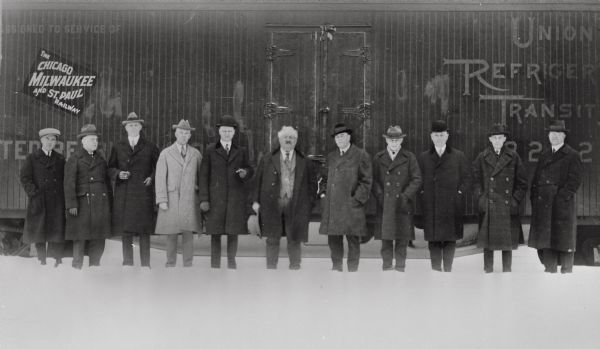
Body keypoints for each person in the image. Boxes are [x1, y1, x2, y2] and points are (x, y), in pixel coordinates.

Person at [251, 126, 317, 269]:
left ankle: (295, 267)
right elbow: (258, 181)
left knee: (294, 238)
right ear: (279, 139)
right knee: (272, 238)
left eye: (291, 138)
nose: (288, 140)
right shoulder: (267, 159)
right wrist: (256, 201)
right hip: (272, 204)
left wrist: (308, 204)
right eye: (285, 137)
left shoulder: (305, 161)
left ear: (296, 140)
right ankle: (271, 268)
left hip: (296, 205)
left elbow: (313, 185)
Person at [199, 115, 254, 269]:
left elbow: (250, 169)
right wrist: (204, 199)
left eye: (229, 131)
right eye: (224, 131)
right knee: (215, 234)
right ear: (219, 132)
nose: (227, 133)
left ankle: (231, 262)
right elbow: (203, 176)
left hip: (235, 200)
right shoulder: (210, 150)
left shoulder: (241, 151)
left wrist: (246, 173)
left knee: (233, 233)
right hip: (216, 200)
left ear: (234, 132)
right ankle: (215, 265)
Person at [472, 124, 528, 273]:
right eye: (494, 138)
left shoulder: (513, 156)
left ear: (504, 139)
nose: (497, 140)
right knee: (487, 244)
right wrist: (481, 198)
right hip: (489, 204)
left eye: (500, 138)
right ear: (490, 139)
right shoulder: (482, 157)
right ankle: (488, 271)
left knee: (506, 244)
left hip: (506, 205)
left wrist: (514, 200)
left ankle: (507, 272)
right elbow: (475, 180)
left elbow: (522, 183)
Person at [528, 120, 582, 273]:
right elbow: (537, 179)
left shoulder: (572, 155)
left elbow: (575, 181)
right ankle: (549, 271)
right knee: (547, 241)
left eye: (558, 134)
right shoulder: (544, 155)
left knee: (565, 242)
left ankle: (566, 273)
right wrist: (535, 199)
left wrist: (561, 197)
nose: (554, 136)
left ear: (564, 136)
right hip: (544, 205)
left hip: (562, 206)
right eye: (552, 133)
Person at [108, 112, 160, 267]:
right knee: (126, 232)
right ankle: (127, 263)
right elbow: (110, 168)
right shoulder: (118, 146)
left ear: (141, 127)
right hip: (125, 194)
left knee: (144, 232)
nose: (133, 127)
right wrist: (118, 174)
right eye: (130, 125)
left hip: (143, 194)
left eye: (136, 125)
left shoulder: (150, 146)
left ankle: (145, 264)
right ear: (125, 128)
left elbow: (159, 168)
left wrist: (152, 177)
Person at [319, 122, 372, 272]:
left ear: (349, 137)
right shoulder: (332, 156)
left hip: (351, 206)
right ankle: (336, 267)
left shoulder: (361, 155)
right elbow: (323, 178)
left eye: (342, 136)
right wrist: (323, 194)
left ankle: (353, 270)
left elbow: (366, 181)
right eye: (337, 137)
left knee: (353, 240)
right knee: (334, 240)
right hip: (333, 206)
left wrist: (356, 200)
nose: (339, 139)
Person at [417, 120, 469, 272]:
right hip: (431, 205)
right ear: (431, 137)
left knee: (449, 239)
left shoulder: (458, 156)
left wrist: (459, 193)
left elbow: (467, 178)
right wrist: (422, 193)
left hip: (451, 205)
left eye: (442, 135)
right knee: (433, 240)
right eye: (436, 135)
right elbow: (418, 179)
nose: (439, 138)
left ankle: (447, 270)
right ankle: (435, 271)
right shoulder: (424, 157)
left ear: (447, 136)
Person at [372, 126, 422, 271]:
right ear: (386, 140)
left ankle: (400, 267)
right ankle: (386, 266)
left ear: (401, 140)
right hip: (385, 203)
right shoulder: (379, 157)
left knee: (402, 239)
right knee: (386, 239)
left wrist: (406, 196)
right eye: (391, 139)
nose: (394, 142)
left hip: (402, 204)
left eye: (397, 139)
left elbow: (417, 179)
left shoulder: (409, 157)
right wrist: (380, 195)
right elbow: (373, 179)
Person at [154, 119, 202, 267]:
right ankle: (170, 264)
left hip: (189, 198)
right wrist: (162, 199)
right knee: (171, 233)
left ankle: (188, 264)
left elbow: (201, 177)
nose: (184, 135)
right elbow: (160, 177)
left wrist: (200, 195)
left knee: (188, 233)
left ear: (190, 136)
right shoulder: (166, 153)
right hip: (171, 198)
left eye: (187, 133)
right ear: (176, 133)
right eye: (181, 132)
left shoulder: (195, 154)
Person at [64, 124, 112, 269]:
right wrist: (71, 204)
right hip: (82, 205)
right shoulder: (75, 159)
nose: (95, 142)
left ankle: (94, 267)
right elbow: (69, 184)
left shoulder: (101, 160)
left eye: (96, 140)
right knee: (80, 238)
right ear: (83, 141)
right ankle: (77, 267)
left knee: (98, 238)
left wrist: (110, 205)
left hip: (100, 205)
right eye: (92, 140)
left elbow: (107, 184)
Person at [19, 128, 66, 267]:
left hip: (56, 201)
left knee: (56, 231)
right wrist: (34, 193)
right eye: (47, 139)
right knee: (40, 231)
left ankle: (56, 260)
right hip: (39, 200)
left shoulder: (60, 159)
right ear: (41, 141)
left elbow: (65, 180)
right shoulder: (32, 158)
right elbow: (25, 178)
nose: (50, 142)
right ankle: (42, 260)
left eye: (53, 140)